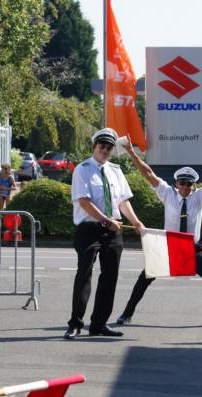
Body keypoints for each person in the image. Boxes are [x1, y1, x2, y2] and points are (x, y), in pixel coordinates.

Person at [116, 140, 202, 328]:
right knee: (144, 279)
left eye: (189, 183)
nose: (185, 187)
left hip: (191, 248)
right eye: (182, 183)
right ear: (176, 183)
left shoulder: (200, 196)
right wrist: (131, 152)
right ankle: (126, 315)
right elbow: (148, 173)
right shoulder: (167, 193)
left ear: (194, 185)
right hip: (169, 246)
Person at [64, 128, 143, 340]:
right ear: (94, 147)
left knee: (110, 277)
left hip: (113, 230)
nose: (106, 150)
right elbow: (83, 201)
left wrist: (135, 221)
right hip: (90, 229)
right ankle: (75, 324)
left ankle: (99, 324)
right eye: (102, 146)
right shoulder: (82, 169)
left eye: (109, 147)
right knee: (84, 275)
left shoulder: (115, 170)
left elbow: (123, 201)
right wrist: (106, 221)